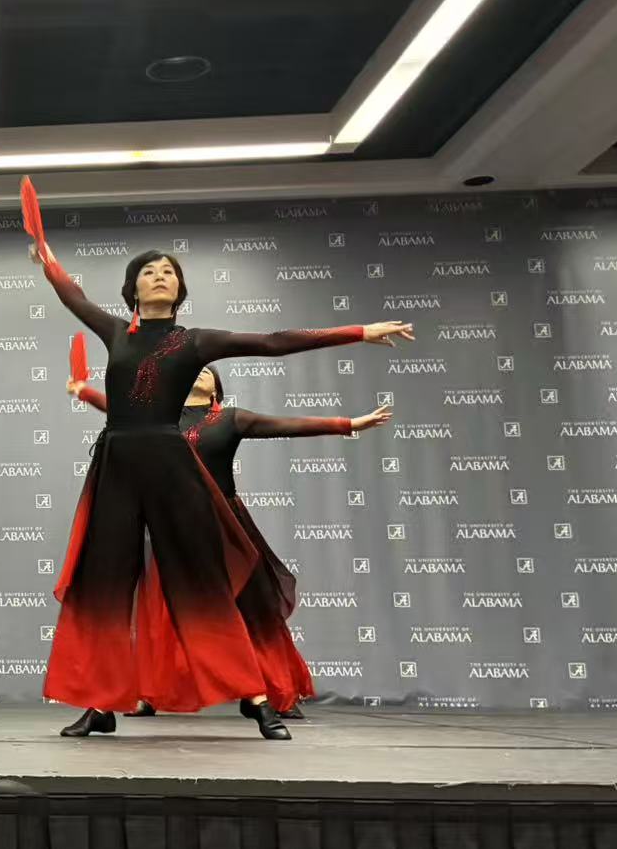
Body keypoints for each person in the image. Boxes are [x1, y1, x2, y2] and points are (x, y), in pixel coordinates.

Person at [38, 246, 412, 740]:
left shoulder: (195, 342)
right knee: (102, 585)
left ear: (180, 289)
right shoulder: (113, 332)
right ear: (132, 289)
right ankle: (100, 703)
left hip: (171, 466)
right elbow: (73, 296)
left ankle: (254, 698)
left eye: (169, 271)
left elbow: (273, 342)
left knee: (204, 584)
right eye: (148, 271)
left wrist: (358, 332)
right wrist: (48, 258)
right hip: (116, 467)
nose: (159, 276)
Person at [68, 364, 391, 720]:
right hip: (174, 525)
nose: (198, 372)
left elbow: (286, 425)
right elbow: (117, 409)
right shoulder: (159, 420)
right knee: (165, 611)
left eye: (207, 371)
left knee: (250, 609)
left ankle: (273, 692)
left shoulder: (231, 419)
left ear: (216, 391)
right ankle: (151, 692)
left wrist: (349, 424)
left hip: (226, 526)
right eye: (193, 369)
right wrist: (84, 391)